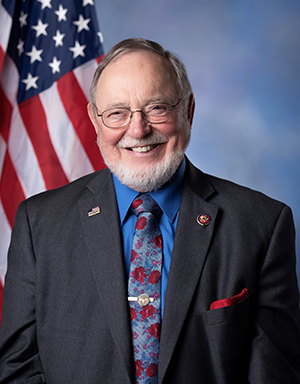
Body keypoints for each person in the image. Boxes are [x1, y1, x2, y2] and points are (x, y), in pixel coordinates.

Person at [0, 38, 300, 384]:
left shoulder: (260, 224)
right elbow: (19, 370)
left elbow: (274, 375)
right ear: (95, 122)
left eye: (157, 108)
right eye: (117, 113)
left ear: (187, 111)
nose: (138, 130)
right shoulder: (39, 225)